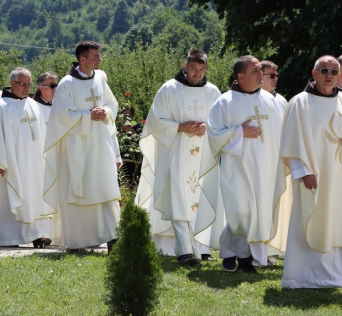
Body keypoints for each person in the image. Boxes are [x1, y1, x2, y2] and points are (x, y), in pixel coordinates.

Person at [196, 55, 283, 273]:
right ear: (240, 76)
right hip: (237, 168)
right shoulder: (225, 102)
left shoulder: (271, 101)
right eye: (254, 71)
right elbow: (213, 134)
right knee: (240, 212)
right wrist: (238, 132)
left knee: (258, 212)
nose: (260, 74)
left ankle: (240, 255)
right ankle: (235, 255)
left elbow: (281, 132)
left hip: (266, 167)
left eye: (260, 70)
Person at [135, 49, 221, 265]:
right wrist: (180, 127)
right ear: (186, 65)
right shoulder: (169, 89)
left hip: (203, 155)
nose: (198, 74)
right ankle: (185, 250)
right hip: (175, 152)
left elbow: (220, 122)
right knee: (179, 199)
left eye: (202, 70)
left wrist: (207, 128)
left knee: (200, 199)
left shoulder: (213, 92)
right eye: (194, 69)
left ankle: (202, 248)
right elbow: (155, 120)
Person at [271, 55, 342, 288]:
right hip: (313, 176)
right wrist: (303, 171)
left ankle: (334, 275)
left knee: (336, 220)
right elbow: (292, 139)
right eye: (324, 70)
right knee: (307, 219)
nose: (329, 75)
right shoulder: (300, 102)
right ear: (314, 73)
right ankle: (300, 276)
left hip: (337, 174)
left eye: (334, 71)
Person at [44, 41, 120, 251]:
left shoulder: (100, 78)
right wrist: (87, 116)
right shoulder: (67, 84)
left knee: (105, 188)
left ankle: (113, 237)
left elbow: (112, 104)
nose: (99, 59)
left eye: (99, 56)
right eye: (95, 56)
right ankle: (77, 241)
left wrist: (106, 112)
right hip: (77, 147)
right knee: (79, 191)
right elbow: (61, 116)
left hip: (100, 144)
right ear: (82, 59)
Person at [0, 67, 52, 247]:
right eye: (23, 84)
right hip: (10, 164)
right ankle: (8, 237)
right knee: (10, 199)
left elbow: (42, 133)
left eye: (29, 84)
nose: (27, 88)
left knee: (34, 196)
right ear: (12, 83)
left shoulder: (32, 104)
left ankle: (37, 234)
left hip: (34, 162)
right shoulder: (1, 107)